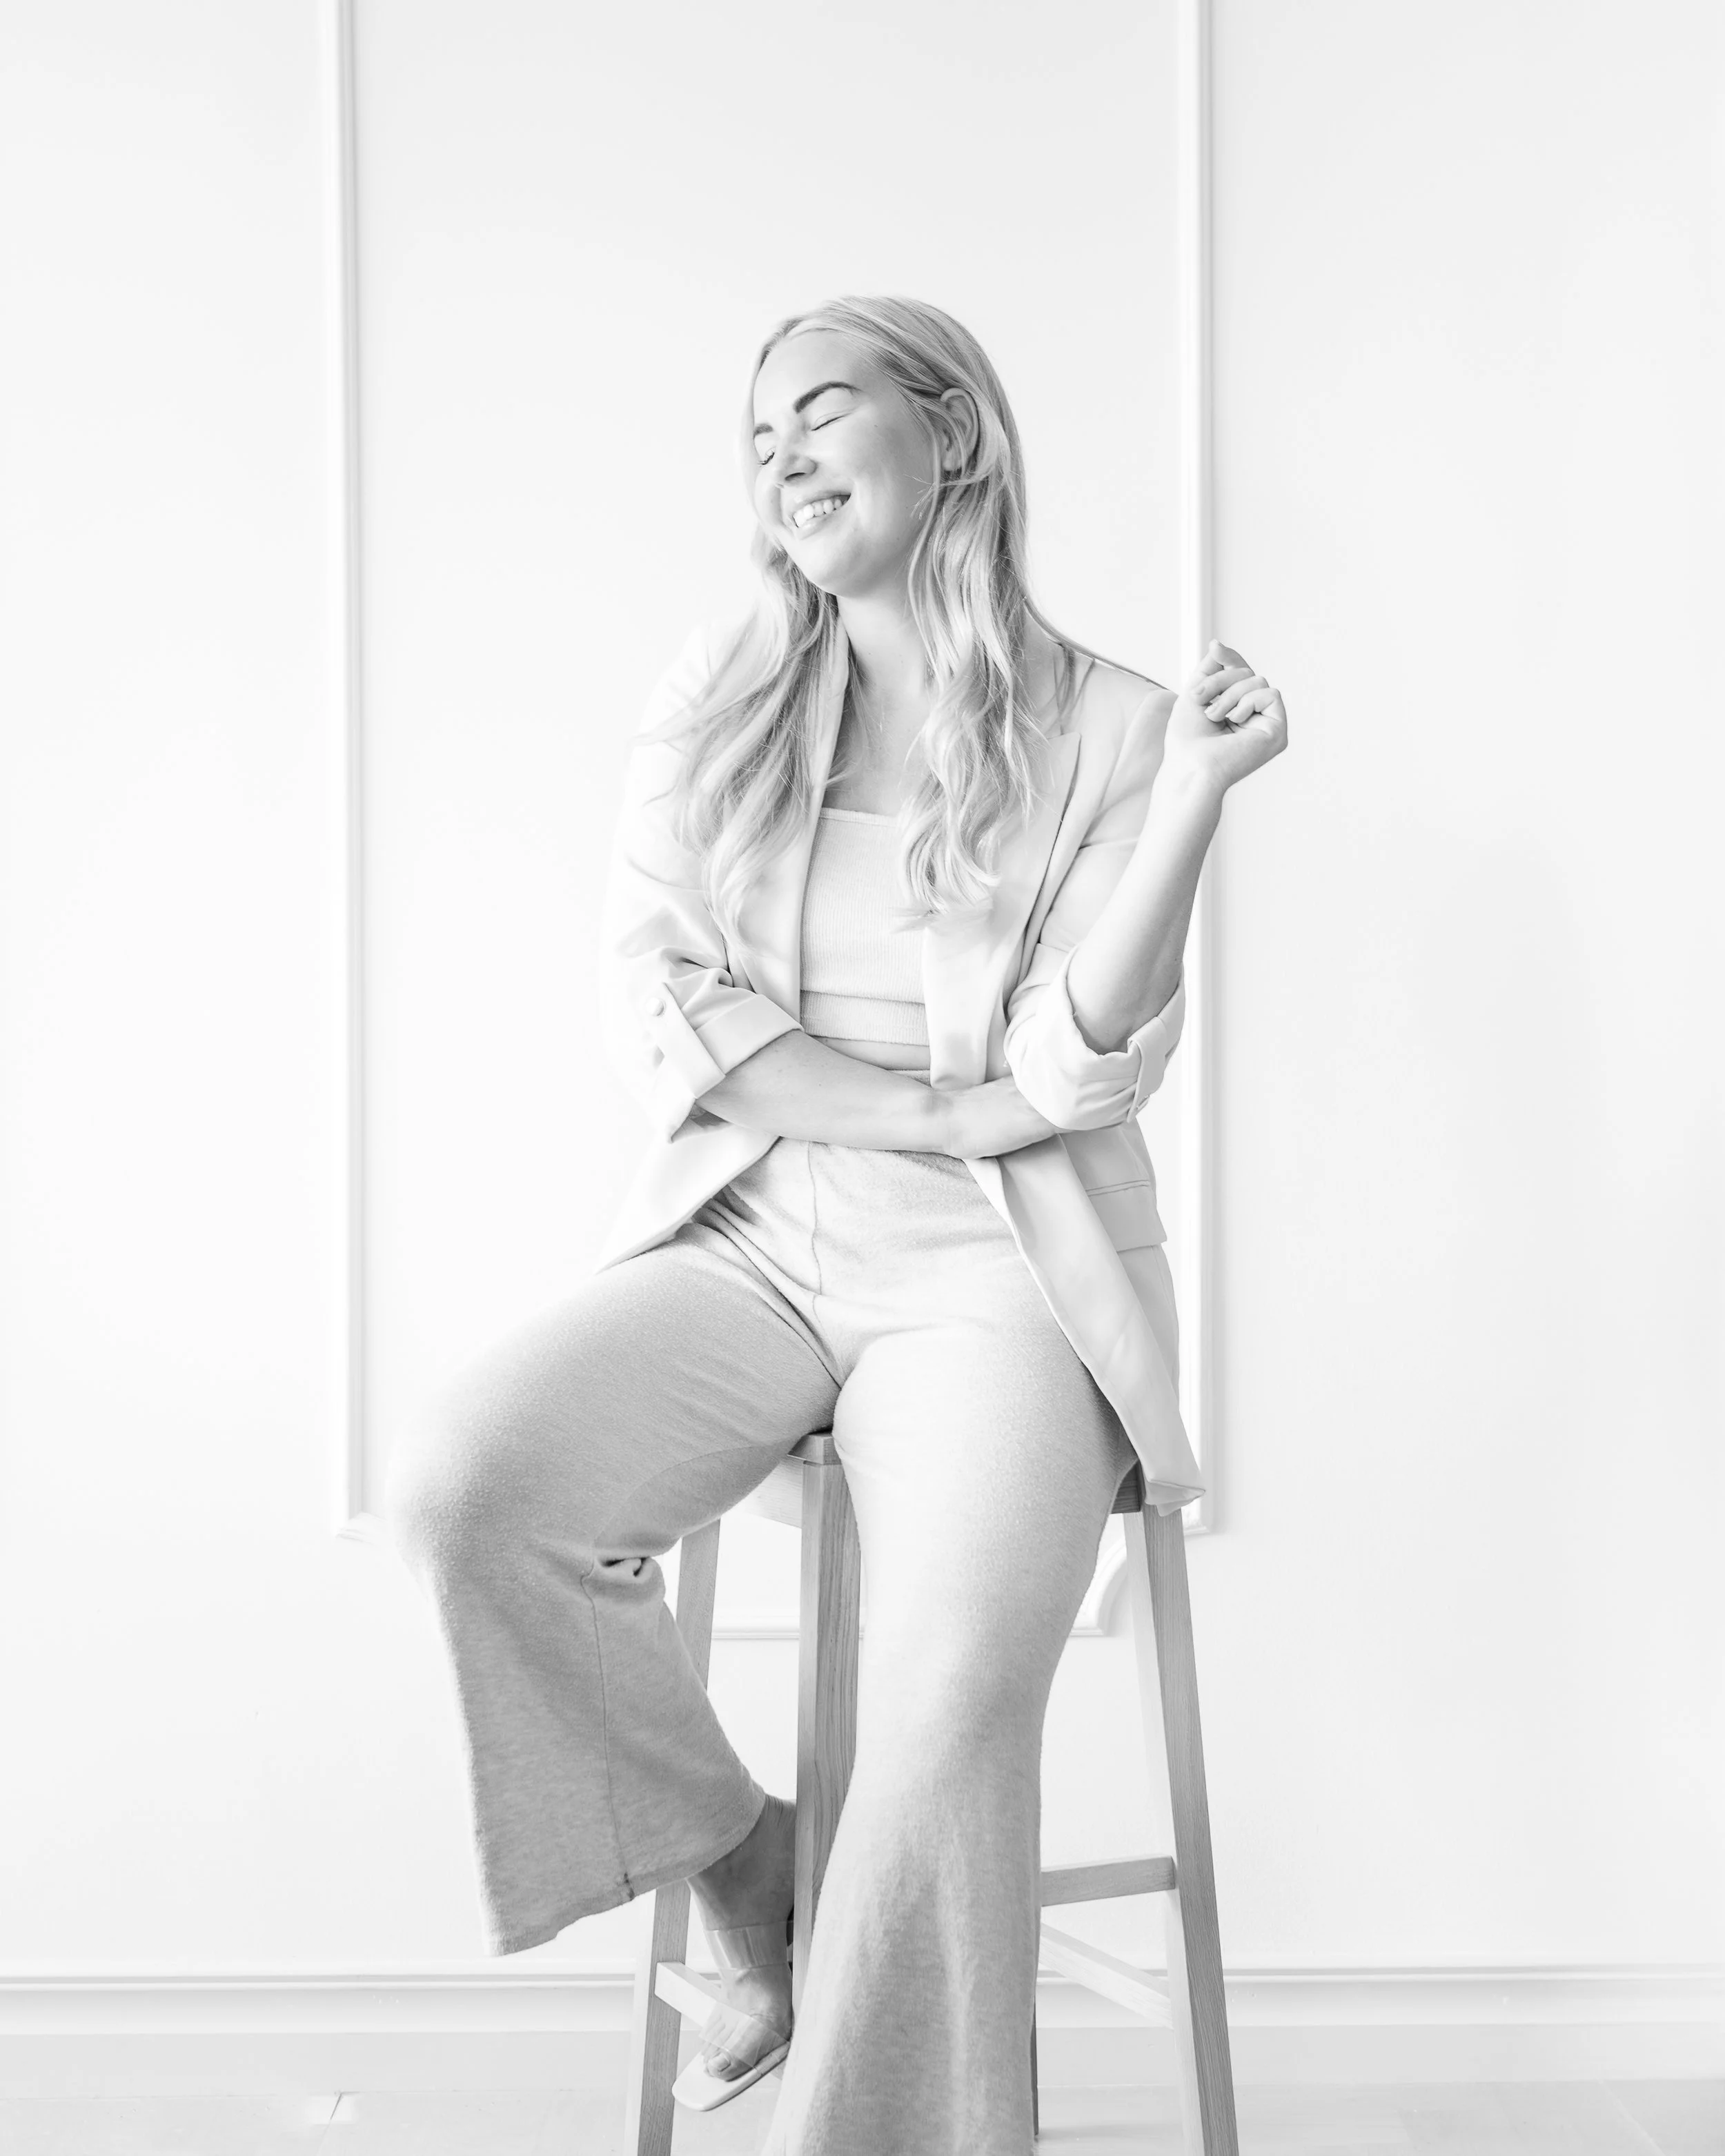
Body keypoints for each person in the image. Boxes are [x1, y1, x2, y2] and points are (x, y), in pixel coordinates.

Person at [384, 293, 1287, 2155]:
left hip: (1001, 1272)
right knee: (472, 1481)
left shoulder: (1117, 726)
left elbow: (1079, 1069)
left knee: (948, 1700)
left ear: (949, 434)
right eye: (757, 434)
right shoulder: (722, 688)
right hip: (753, 1230)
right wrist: (927, 1110)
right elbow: (661, 999)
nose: (780, 454)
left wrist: (1192, 803)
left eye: (820, 409)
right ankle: (748, 1870)